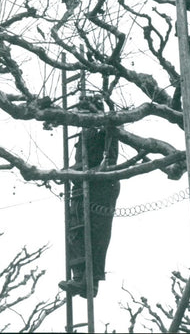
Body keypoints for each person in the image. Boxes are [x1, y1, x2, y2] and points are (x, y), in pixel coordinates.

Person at [59, 110, 120, 298]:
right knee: (74, 230)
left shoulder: (106, 130)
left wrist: (81, 172)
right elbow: (80, 163)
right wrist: (70, 172)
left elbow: (108, 161)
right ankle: (78, 277)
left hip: (101, 187)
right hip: (80, 187)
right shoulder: (84, 134)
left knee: (97, 234)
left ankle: (91, 281)